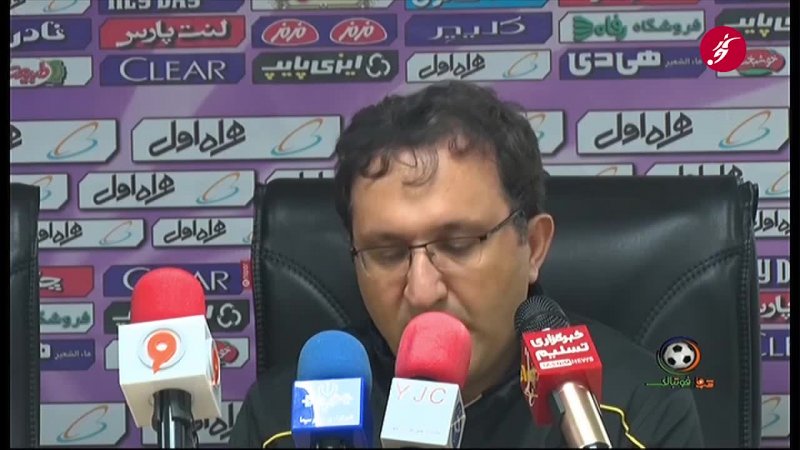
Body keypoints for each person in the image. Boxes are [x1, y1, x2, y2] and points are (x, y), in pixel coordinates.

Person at [228, 81, 704, 448]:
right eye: (387, 253)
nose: (422, 290)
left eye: (457, 244)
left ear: (534, 247)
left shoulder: (634, 410)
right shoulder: (283, 421)